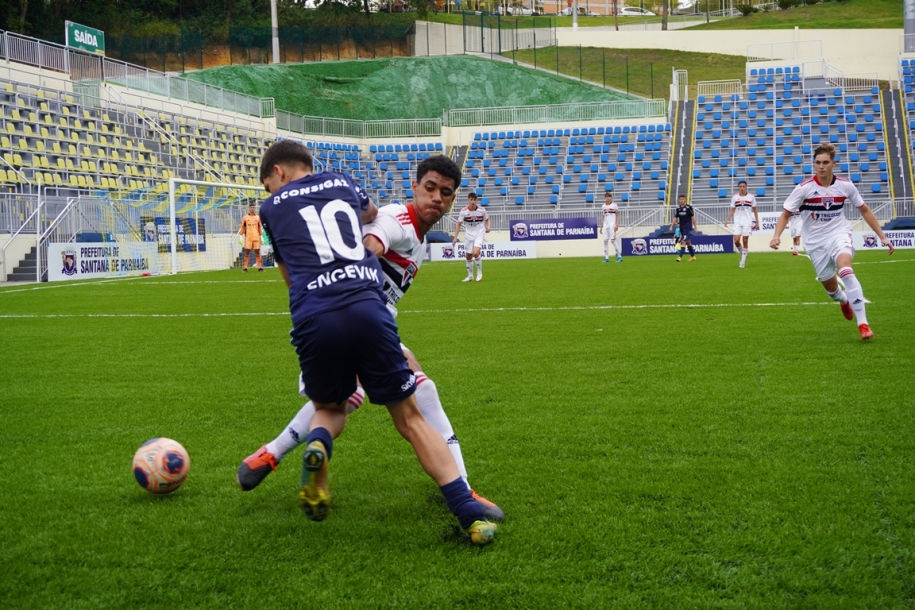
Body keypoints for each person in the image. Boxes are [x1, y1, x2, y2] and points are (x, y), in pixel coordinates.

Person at [249, 140, 496, 545]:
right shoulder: (394, 216)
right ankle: (464, 498)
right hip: (365, 313)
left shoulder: (276, 208)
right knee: (405, 411)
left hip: (317, 316)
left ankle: (278, 453)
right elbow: (374, 235)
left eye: (445, 192)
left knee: (357, 401)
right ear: (414, 186)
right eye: (430, 188)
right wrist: (358, 276)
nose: (437, 198)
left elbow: (293, 272)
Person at [770, 143, 895, 340]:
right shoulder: (803, 189)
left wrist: (882, 236)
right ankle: (843, 300)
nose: (821, 166)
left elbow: (864, 210)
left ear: (833, 163)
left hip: (839, 234)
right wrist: (777, 236)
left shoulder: (845, 186)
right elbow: (785, 214)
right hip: (815, 243)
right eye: (818, 163)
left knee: (845, 268)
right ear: (814, 164)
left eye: (825, 162)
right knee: (832, 290)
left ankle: (863, 324)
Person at [451, 193, 490, 282]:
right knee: (468, 255)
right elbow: (459, 224)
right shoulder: (463, 211)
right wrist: (455, 237)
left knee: (476, 253)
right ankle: (470, 276)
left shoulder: (482, 210)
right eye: (471, 200)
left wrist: (488, 227)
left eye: (474, 200)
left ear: (476, 201)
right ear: (468, 200)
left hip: (479, 233)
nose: (472, 202)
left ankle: (479, 273)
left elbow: (487, 219)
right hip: (469, 235)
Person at [723, 180, 760, 268]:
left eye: (743, 186)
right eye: (740, 186)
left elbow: (755, 209)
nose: (742, 188)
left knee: (745, 240)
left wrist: (757, 221)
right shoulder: (735, 197)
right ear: (738, 187)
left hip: (747, 221)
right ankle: (743, 252)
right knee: (736, 240)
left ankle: (742, 262)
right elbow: (732, 209)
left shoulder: (751, 196)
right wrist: (727, 219)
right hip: (738, 221)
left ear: (746, 187)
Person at [668, 194, 698, 262]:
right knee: (688, 242)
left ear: (685, 200)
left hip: (687, 227)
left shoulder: (689, 207)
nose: (681, 200)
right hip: (682, 227)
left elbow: (692, 217)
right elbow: (675, 218)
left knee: (683, 241)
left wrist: (695, 227)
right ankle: (693, 256)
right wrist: (671, 226)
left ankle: (679, 257)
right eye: (680, 199)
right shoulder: (678, 208)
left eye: (682, 199)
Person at [238, 204, 264, 272]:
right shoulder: (245, 218)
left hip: (256, 237)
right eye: (251, 207)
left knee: (257, 252)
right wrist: (240, 236)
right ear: (249, 209)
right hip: (248, 238)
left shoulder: (257, 217)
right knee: (247, 252)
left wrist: (261, 236)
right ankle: (245, 268)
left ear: (255, 208)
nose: (252, 209)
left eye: (253, 207)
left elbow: (259, 228)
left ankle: (260, 267)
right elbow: (242, 227)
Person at [600, 191, 622, 263]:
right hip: (605, 226)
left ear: (611, 197)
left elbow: (618, 215)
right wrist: (601, 226)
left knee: (613, 240)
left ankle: (619, 256)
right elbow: (603, 216)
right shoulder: (603, 206)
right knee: (605, 241)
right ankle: (606, 258)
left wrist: (617, 225)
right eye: (606, 197)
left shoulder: (614, 205)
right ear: (605, 198)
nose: (608, 198)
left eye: (609, 196)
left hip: (612, 225)